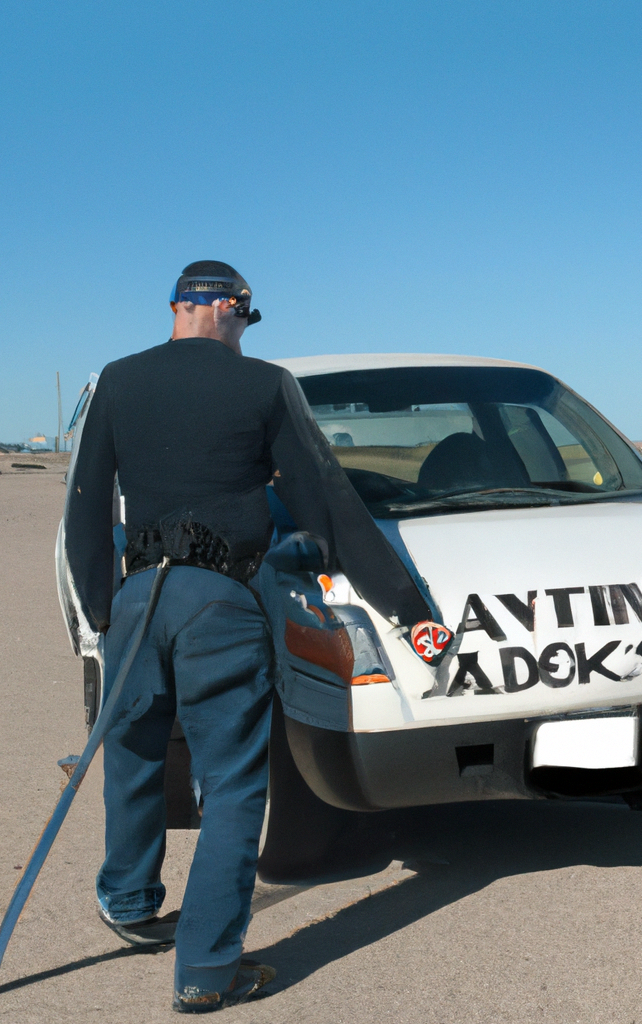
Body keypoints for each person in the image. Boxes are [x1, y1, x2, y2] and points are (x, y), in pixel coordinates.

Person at [63, 261, 433, 1012]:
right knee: (231, 786)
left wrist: (102, 610)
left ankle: (130, 904)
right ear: (231, 308)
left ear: (175, 308)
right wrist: (406, 605)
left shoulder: (117, 379)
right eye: (244, 318)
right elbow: (323, 498)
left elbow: (85, 504)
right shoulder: (263, 385)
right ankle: (205, 968)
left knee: (133, 755)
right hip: (220, 602)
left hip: (136, 597)